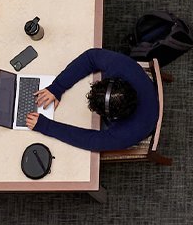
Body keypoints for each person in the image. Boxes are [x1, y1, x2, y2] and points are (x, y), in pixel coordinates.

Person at [25, 48, 159, 152]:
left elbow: (89, 141)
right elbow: (90, 57)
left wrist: (47, 126)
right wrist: (57, 87)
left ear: (112, 117)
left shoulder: (126, 134)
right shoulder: (124, 67)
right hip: (146, 94)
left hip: (143, 124)